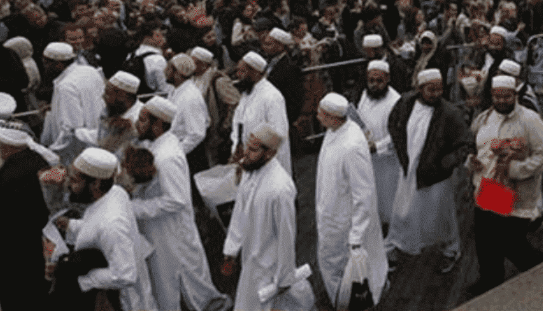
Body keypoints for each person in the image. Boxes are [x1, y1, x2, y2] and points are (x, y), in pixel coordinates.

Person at [130, 96, 231, 311]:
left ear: (158, 124)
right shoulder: (159, 145)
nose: (137, 125)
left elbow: (176, 199)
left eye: (142, 120)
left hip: (172, 230)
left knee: (182, 277)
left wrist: (136, 208)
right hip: (162, 229)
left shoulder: (166, 156)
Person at [466, 76, 543, 295]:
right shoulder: (484, 118)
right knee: (486, 240)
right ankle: (490, 279)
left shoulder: (530, 120)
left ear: (515, 95)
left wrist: (515, 169)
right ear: (492, 95)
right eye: (498, 96)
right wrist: (470, 161)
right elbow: (474, 147)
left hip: (515, 191)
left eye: (507, 96)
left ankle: (539, 267)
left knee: (511, 243)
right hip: (488, 188)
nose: (502, 100)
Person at [386, 68, 472, 274]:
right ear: (419, 88)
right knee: (402, 212)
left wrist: (445, 164)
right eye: (431, 90)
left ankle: (451, 249)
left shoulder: (450, 113)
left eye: (439, 89)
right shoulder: (406, 103)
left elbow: (466, 144)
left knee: (442, 216)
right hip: (408, 172)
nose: (436, 94)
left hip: (435, 177)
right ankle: (394, 246)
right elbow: (393, 123)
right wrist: (401, 151)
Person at [222, 125, 314, 311]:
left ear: (270, 153)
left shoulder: (280, 188)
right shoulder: (251, 170)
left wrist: (284, 278)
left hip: (270, 267)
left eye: (253, 149)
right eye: (248, 147)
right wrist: (231, 251)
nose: (246, 153)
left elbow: (286, 236)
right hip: (250, 260)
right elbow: (240, 213)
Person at [55, 147, 157, 311]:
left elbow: (124, 275)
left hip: (122, 301)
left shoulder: (112, 225)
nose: (69, 186)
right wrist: (71, 225)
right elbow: (97, 227)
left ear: (95, 183)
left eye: (74, 181)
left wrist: (84, 281)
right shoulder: (115, 192)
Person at [315, 92, 388, 308]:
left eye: (320, 113)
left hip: (343, 221)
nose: (317, 116)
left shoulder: (351, 145)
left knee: (337, 264)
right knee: (332, 262)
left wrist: (356, 233)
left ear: (332, 117)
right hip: (331, 212)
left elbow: (363, 193)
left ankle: (345, 303)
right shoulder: (335, 131)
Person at [0, 120, 50, 311]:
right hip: (33, 248)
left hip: (13, 255)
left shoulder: (6, 177)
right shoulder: (36, 160)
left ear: (6, 147)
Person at [351, 59, 402, 228]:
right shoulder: (365, 96)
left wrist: (377, 147)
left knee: (389, 200)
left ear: (387, 79)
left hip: (388, 162)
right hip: (367, 158)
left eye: (379, 81)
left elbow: (399, 135)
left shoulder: (396, 101)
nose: (374, 85)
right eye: (371, 80)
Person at [40, 41, 106, 165]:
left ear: (59, 64)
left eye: (47, 62)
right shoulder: (90, 70)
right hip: (99, 138)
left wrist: (52, 153)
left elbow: (71, 130)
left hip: (78, 154)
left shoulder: (66, 86)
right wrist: (55, 107)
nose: (45, 66)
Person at [230, 51, 291, 176]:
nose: (238, 75)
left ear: (255, 72)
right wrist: (236, 149)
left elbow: (278, 135)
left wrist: (257, 157)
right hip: (248, 160)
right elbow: (238, 124)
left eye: (242, 71)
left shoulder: (272, 96)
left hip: (266, 164)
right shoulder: (246, 94)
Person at [165, 54, 210, 173]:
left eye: (169, 68)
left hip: (190, 155)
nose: (165, 71)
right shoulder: (175, 90)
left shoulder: (190, 97)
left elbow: (197, 134)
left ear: (178, 73)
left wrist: (176, 153)